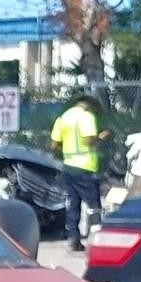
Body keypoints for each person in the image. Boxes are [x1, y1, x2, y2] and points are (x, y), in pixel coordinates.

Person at [49, 93, 103, 242]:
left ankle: (73, 238)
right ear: (88, 104)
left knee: (73, 203)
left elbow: (54, 145)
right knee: (93, 204)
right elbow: (88, 140)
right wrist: (100, 137)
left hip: (68, 165)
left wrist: (67, 149)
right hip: (85, 166)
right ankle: (96, 238)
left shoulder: (64, 117)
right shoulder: (87, 117)